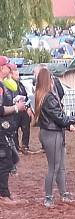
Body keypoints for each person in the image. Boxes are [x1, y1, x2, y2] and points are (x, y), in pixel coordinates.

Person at [33, 66, 75, 208]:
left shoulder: (41, 95)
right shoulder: (49, 97)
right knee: (54, 167)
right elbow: (59, 117)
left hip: (51, 132)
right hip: (53, 133)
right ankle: (49, 196)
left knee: (59, 166)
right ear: (49, 79)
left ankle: (63, 193)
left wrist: (66, 121)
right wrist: (70, 121)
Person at [0, 57, 26, 206]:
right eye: (6, 67)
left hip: (5, 129)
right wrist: (17, 108)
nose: (9, 69)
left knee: (9, 159)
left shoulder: (4, 85)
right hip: (1, 130)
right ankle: (4, 194)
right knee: (6, 161)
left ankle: (4, 192)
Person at [7, 63, 35, 154]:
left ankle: (25, 146)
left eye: (18, 74)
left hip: (23, 111)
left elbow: (26, 97)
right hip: (14, 111)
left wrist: (28, 108)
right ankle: (16, 147)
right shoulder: (7, 85)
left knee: (26, 128)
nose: (18, 75)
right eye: (16, 74)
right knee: (14, 130)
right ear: (11, 74)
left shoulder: (21, 85)